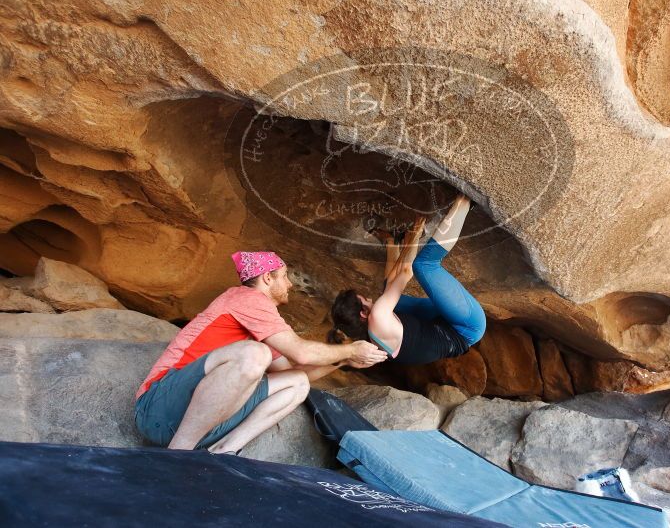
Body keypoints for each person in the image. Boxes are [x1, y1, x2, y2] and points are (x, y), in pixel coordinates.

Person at [134, 251, 386, 454]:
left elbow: (292, 369)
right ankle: (179, 454)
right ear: (267, 278)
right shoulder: (247, 298)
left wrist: (345, 360)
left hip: (198, 419)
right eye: (284, 276)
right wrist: (351, 347)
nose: (289, 284)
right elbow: (301, 353)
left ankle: (224, 451)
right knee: (255, 354)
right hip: (158, 406)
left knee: (297, 383)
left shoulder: (262, 323)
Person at [328, 194, 486, 364]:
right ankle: (465, 202)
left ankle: (392, 242)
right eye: (362, 299)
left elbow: (392, 286)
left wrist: (409, 241)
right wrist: (414, 237)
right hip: (467, 327)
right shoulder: (379, 315)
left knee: (390, 294)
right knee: (424, 264)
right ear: (362, 313)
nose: (367, 297)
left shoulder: (373, 338)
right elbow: (406, 272)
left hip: (441, 322)